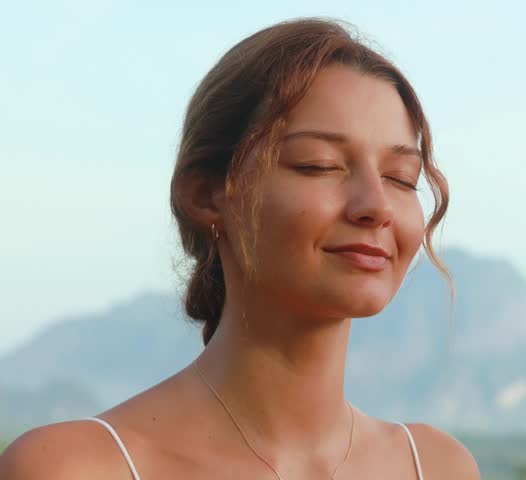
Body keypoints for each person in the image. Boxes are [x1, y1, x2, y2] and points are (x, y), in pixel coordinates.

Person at [0, 17, 480, 480]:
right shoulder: (76, 467)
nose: (376, 206)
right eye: (319, 165)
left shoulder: (436, 466)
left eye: (401, 178)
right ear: (207, 195)